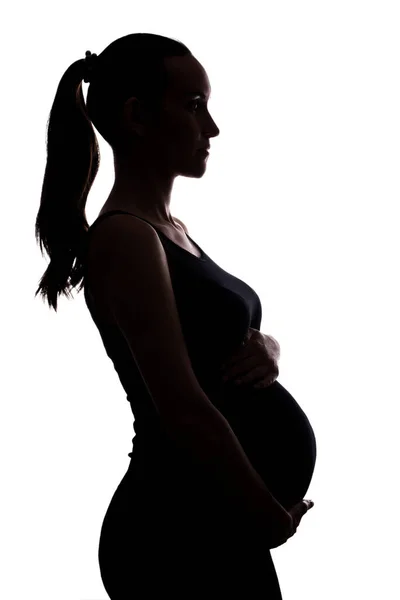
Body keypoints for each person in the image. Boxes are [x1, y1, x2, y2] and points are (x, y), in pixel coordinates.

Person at [34, 33, 316, 599]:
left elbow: (221, 344)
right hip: (174, 530)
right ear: (137, 116)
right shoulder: (126, 239)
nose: (211, 128)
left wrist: (270, 347)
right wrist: (267, 515)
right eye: (193, 107)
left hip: (213, 516)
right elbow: (183, 407)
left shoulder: (171, 233)